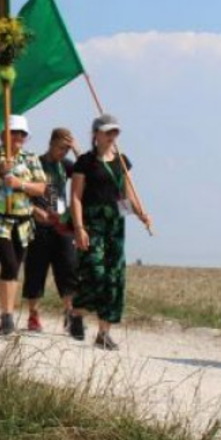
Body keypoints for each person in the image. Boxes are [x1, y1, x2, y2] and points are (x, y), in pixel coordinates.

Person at [71, 113, 152, 350]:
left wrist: (142, 214)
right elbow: (75, 197)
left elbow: (128, 194)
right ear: (96, 134)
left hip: (115, 223)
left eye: (115, 132)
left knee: (114, 277)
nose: (112, 136)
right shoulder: (85, 162)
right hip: (92, 222)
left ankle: (103, 333)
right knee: (94, 272)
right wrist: (79, 227)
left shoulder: (122, 161)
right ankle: (77, 312)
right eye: (108, 132)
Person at [0, 115, 48, 336]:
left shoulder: (31, 158)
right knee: (9, 263)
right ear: (3, 135)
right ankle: (7, 316)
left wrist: (20, 184)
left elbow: (42, 187)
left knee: (13, 267)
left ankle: (8, 313)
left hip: (22, 221)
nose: (19, 137)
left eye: (23, 134)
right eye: (15, 132)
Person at [23, 126, 83, 337]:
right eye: (60, 148)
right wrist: (34, 209)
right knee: (36, 270)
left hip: (62, 225)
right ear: (50, 144)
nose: (62, 153)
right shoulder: (35, 163)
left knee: (68, 268)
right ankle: (33, 314)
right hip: (39, 224)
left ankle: (70, 313)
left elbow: (87, 170)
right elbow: (21, 191)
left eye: (66, 149)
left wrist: (76, 149)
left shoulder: (65, 165)